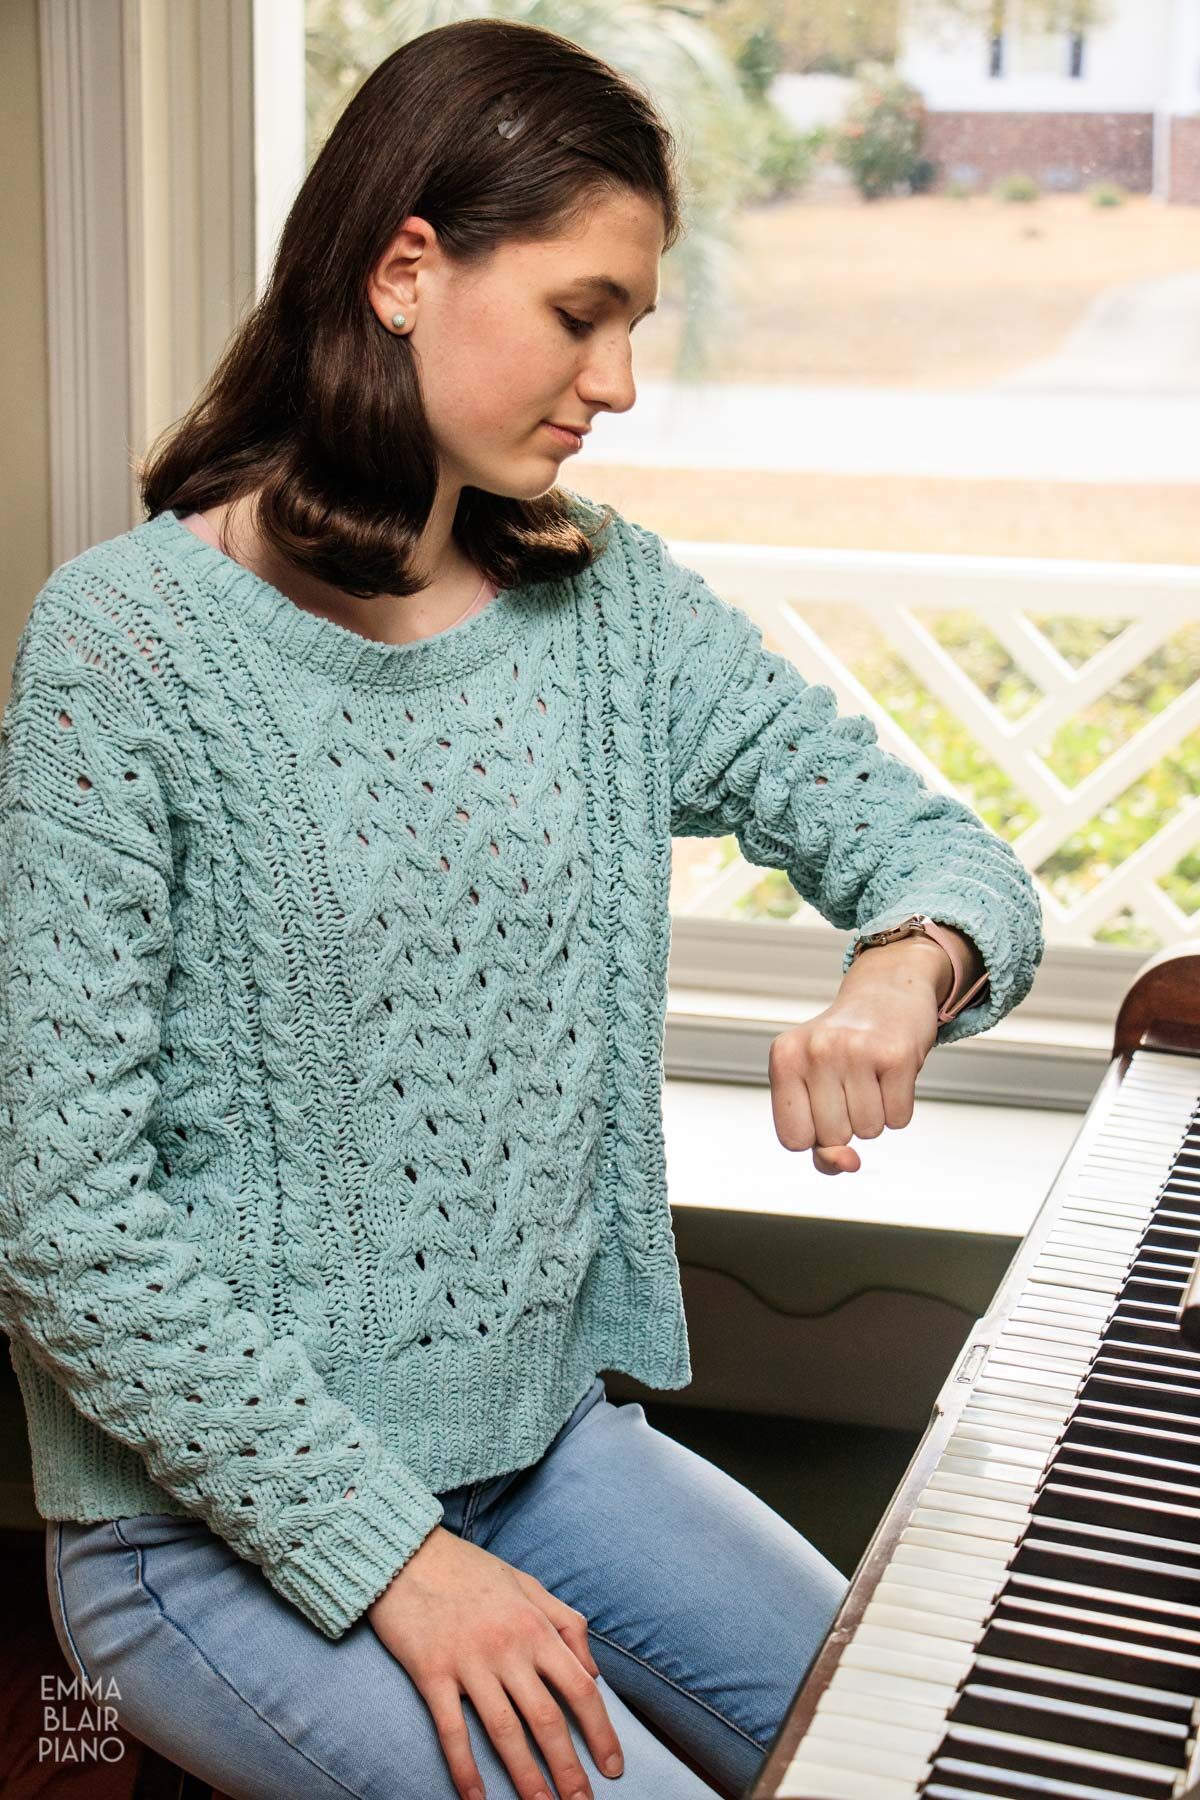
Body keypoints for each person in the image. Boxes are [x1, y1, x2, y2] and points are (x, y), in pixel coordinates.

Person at [1, 17, 1043, 1800]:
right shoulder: (122, 652)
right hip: (200, 1538)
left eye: (637, 322)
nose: (621, 379)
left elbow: (946, 854)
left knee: (927, 1755)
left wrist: (905, 973)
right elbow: (66, 1223)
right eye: (584, 313)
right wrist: (398, 1562)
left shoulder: (607, 606)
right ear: (408, 270)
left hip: (546, 1452)